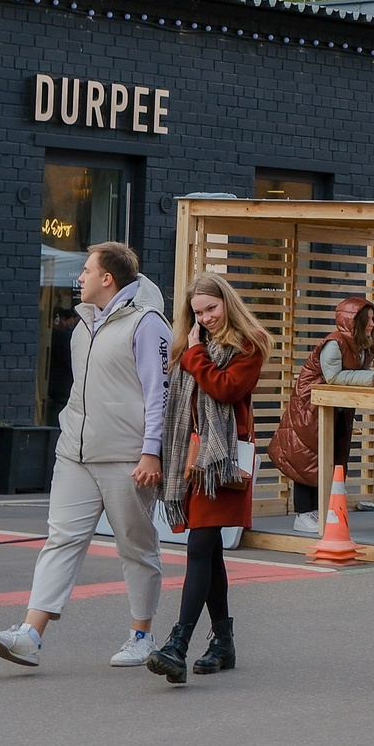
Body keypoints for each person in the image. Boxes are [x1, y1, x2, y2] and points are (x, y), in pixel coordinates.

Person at [0, 241, 170, 669]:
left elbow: (159, 394)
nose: (79, 277)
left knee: (135, 547)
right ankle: (30, 635)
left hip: (128, 457)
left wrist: (151, 453)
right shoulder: (84, 323)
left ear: (108, 278)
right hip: (75, 453)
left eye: (86, 270)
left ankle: (142, 635)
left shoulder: (148, 324)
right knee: (61, 538)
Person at [145, 271, 269, 686]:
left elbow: (226, 389)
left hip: (222, 463)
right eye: (198, 312)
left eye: (212, 308)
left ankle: (178, 645)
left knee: (200, 545)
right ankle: (223, 643)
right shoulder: (190, 345)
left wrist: (195, 355)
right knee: (209, 550)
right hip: (191, 459)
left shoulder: (249, 344)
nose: (206, 317)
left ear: (226, 303)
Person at [272, 296, 374, 534]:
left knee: (329, 458)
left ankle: (320, 510)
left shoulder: (360, 345)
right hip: (310, 408)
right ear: (355, 321)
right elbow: (333, 376)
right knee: (307, 459)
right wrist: (370, 378)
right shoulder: (334, 343)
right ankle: (304, 513)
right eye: (369, 319)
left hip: (332, 409)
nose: (373, 324)